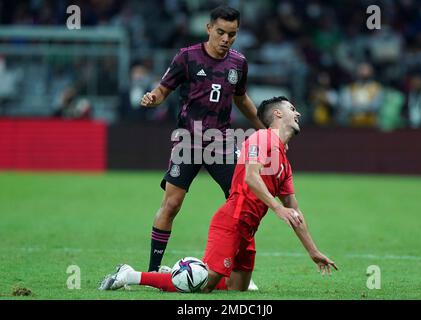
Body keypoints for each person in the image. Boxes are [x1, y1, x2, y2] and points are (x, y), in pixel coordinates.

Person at [99, 96, 338, 293]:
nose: (297, 114)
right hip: (231, 220)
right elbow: (250, 177)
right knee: (204, 286)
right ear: (277, 114)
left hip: (247, 231)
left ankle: (178, 275)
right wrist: (277, 208)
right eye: (292, 109)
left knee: (238, 288)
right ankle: (129, 275)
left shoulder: (284, 164)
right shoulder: (261, 137)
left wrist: (313, 251)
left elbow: (295, 212)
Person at [139, 5, 265, 279]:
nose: (225, 39)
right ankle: (151, 272)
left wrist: (264, 129)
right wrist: (152, 98)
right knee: (171, 204)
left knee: (241, 204)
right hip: (187, 141)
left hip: (221, 143)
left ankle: (236, 273)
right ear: (209, 29)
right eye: (220, 32)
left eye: (232, 34)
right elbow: (163, 90)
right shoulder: (187, 57)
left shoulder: (238, 63)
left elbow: (241, 99)